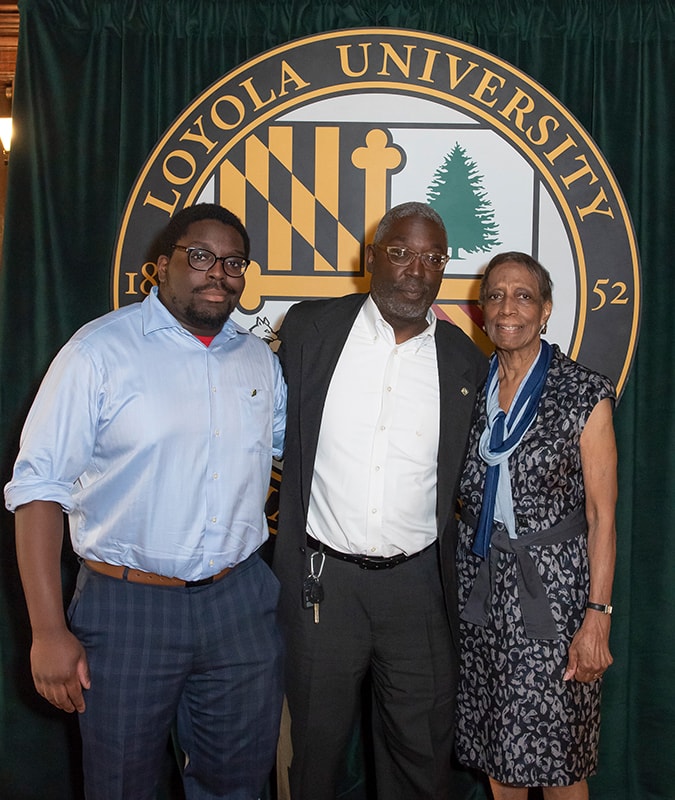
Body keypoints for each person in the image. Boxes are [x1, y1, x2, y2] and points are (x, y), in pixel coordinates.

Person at [4, 203, 287, 800]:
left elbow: (299, 449)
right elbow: (38, 491)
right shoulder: (97, 353)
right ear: (162, 266)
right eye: (202, 256)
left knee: (238, 785)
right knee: (122, 786)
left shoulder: (258, 359)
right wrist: (48, 630)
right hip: (126, 607)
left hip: (240, 605)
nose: (219, 273)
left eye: (234, 262)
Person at [273, 201, 488, 800]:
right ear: (371, 258)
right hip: (323, 586)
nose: (416, 269)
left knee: (421, 761)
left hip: (418, 591)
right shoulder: (309, 330)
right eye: (400, 252)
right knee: (313, 758)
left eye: (432, 258)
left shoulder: (464, 360)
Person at [454, 251, 617, 800]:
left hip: (556, 593)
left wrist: (597, 617)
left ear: (546, 310)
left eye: (523, 296)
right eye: (496, 295)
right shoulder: (469, 389)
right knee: (499, 748)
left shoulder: (582, 392)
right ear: (481, 309)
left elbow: (602, 517)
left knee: (559, 755)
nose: (508, 308)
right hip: (481, 584)